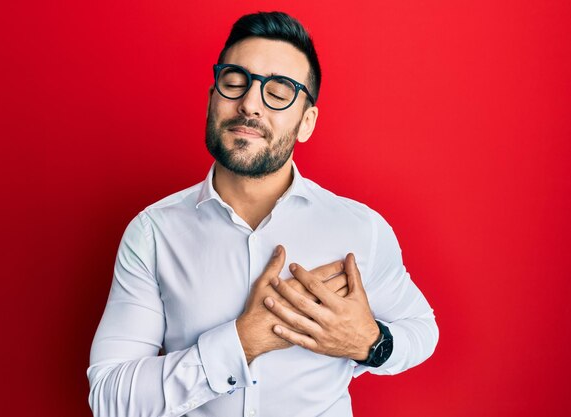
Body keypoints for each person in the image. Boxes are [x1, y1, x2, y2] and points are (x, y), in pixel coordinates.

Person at [87, 11, 438, 417]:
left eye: (279, 91)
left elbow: (422, 329)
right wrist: (243, 340)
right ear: (212, 101)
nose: (250, 103)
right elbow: (110, 399)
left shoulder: (361, 229)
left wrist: (369, 343)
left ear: (306, 122)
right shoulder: (152, 233)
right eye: (235, 81)